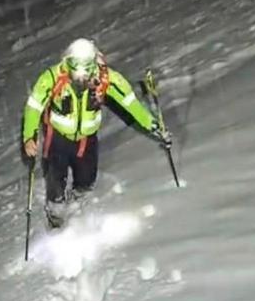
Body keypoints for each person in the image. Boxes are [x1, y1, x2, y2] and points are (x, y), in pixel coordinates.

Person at [22, 37, 171, 227]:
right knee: (55, 177)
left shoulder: (105, 79)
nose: (82, 76)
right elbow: (34, 106)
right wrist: (29, 137)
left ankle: (78, 201)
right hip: (57, 138)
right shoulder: (52, 78)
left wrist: (154, 126)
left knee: (87, 179)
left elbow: (130, 103)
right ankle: (55, 211)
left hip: (86, 139)